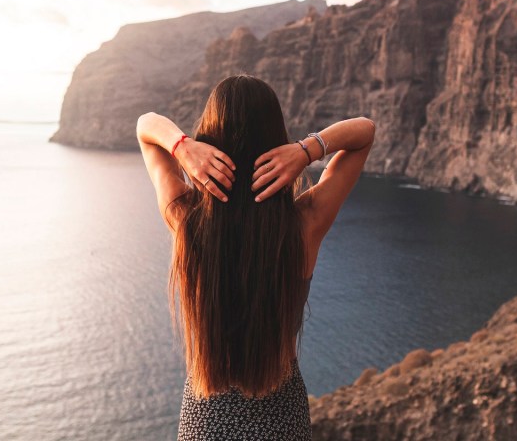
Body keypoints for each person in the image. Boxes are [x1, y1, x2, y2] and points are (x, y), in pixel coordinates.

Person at [136, 75, 375, 440]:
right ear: (276, 140)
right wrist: (307, 150)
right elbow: (364, 133)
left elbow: (146, 126)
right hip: (282, 421)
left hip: (205, 421)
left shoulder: (185, 220)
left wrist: (182, 147)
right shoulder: (304, 225)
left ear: (210, 141)